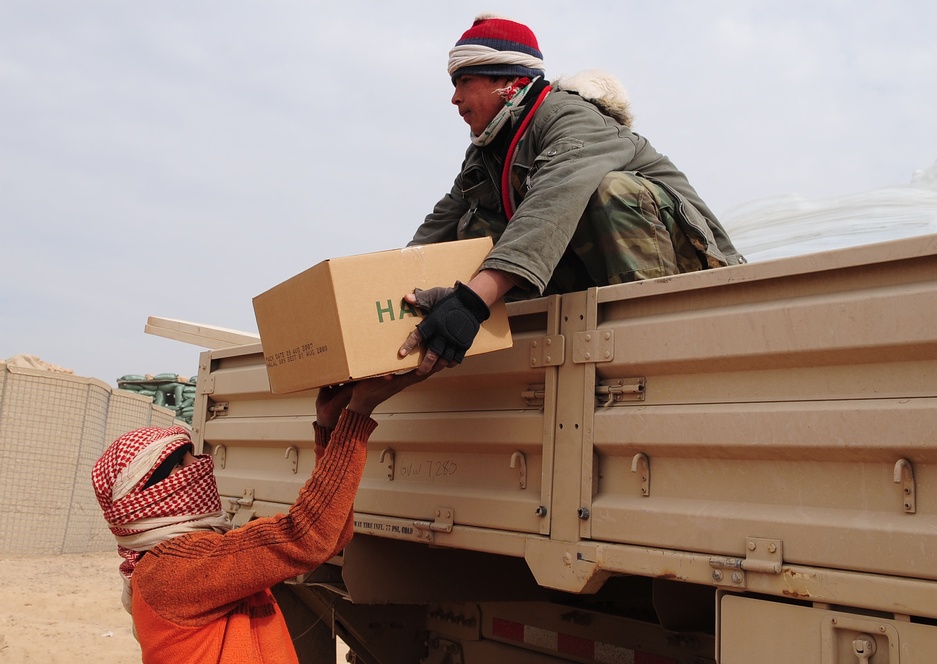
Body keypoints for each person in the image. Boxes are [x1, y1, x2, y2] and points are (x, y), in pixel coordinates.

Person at [399, 13, 745, 373]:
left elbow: (549, 209)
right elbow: (436, 230)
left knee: (612, 192)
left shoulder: (570, 116)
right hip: (597, 276)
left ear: (509, 81)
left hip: (695, 275)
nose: (455, 98)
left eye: (465, 81)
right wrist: (380, 299)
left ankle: (655, 348)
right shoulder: (485, 154)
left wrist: (469, 304)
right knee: (472, 229)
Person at [92, 369, 436, 663]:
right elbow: (306, 538)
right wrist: (357, 414)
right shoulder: (173, 570)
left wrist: (329, 428)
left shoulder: (187, 558)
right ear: (157, 493)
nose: (202, 464)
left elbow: (329, 537)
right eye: (184, 463)